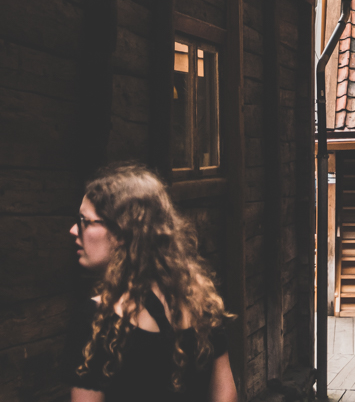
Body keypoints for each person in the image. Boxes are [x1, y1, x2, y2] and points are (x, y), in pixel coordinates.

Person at [65, 162, 238, 402]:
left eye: (85, 220)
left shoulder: (96, 320)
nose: (74, 229)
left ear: (122, 232)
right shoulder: (202, 306)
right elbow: (225, 396)